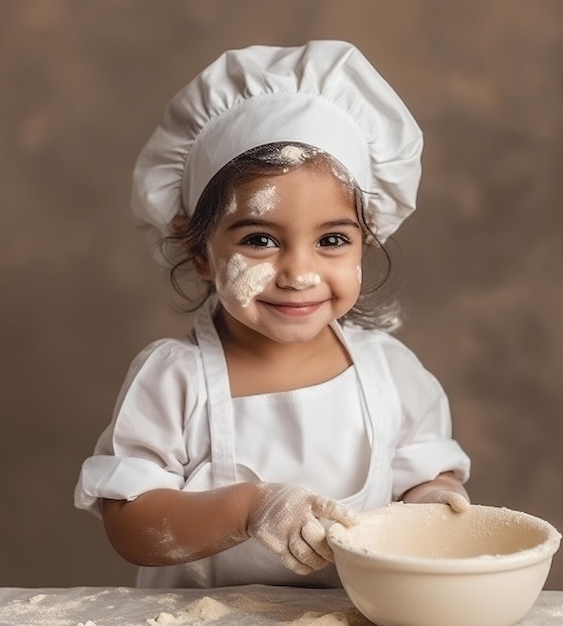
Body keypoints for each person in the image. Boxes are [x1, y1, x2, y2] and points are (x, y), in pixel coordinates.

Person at [74, 40, 471, 589]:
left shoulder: (391, 374)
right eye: (260, 239)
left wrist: (435, 498)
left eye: (332, 239)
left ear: (365, 243)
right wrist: (248, 510)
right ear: (199, 253)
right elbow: (132, 526)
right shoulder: (174, 378)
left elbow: (424, 475)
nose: (299, 273)